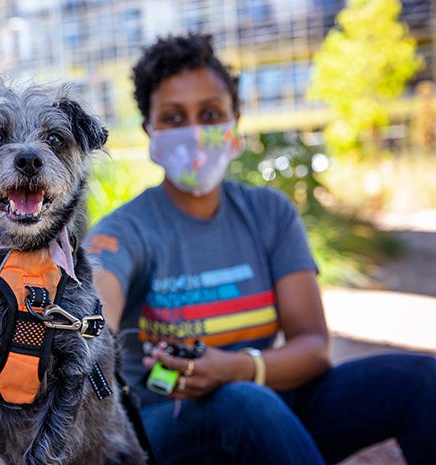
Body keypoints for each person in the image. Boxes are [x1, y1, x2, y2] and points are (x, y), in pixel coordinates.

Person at [85, 32, 436, 465]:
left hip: (267, 411)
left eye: (211, 113)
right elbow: (94, 318)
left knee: (419, 379)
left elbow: (312, 347)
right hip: (165, 431)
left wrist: (239, 368)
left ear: (235, 122)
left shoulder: (269, 214)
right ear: (150, 131)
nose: (195, 132)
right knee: (243, 404)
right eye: (174, 118)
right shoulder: (124, 231)